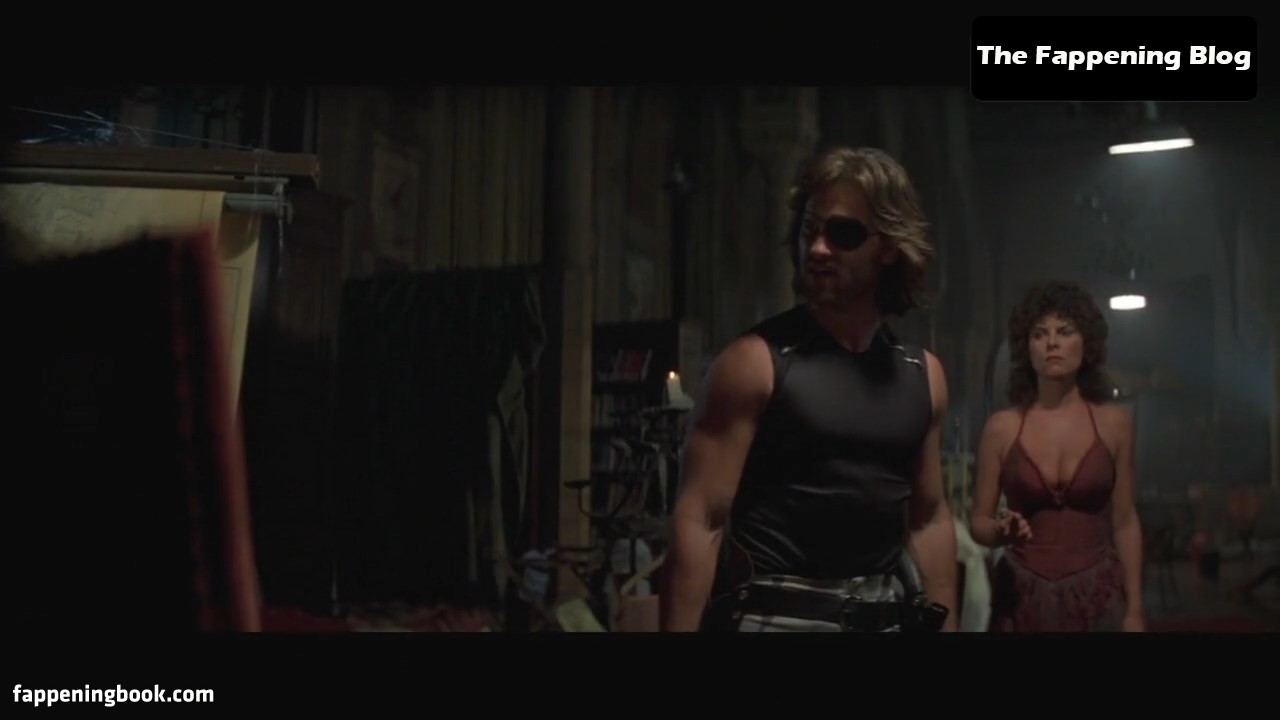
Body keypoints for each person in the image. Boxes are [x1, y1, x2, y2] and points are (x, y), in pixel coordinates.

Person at [660, 146, 957, 632]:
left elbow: (930, 521)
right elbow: (699, 520)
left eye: (843, 234)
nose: (817, 249)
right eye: (809, 230)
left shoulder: (922, 375)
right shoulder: (754, 364)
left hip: (884, 616)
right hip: (777, 615)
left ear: (887, 247)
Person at [970, 281, 1144, 632]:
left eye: (1064, 331)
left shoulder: (1114, 424)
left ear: (1086, 342)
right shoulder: (1002, 428)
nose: (1052, 343)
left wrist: (1135, 610)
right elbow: (978, 522)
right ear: (1026, 346)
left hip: (1097, 592)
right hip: (1022, 594)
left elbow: (1125, 521)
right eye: (1040, 334)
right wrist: (1001, 531)